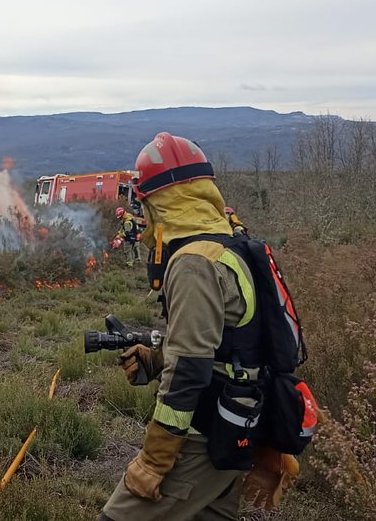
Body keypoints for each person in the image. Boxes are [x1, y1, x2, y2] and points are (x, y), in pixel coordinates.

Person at [101, 132, 292, 520]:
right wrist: (156, 360)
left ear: (157, 200)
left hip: (203, 435)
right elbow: (229, 340)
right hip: (237, 423)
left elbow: (190, 369)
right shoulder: (229, 241)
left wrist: (154, 462)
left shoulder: (194, 262)